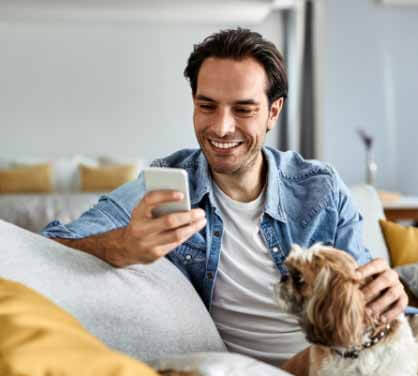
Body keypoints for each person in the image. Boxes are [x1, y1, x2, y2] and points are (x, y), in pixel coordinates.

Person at [42, 28, 408, 366]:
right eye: (207, 106)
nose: (220, 127)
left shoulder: (320, 189)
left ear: (273, 111)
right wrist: (121, 245)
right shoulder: (166, 184)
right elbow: (52, 244)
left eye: (243, 109)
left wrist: (389, 295)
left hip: (333, 365)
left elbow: (367, 300)